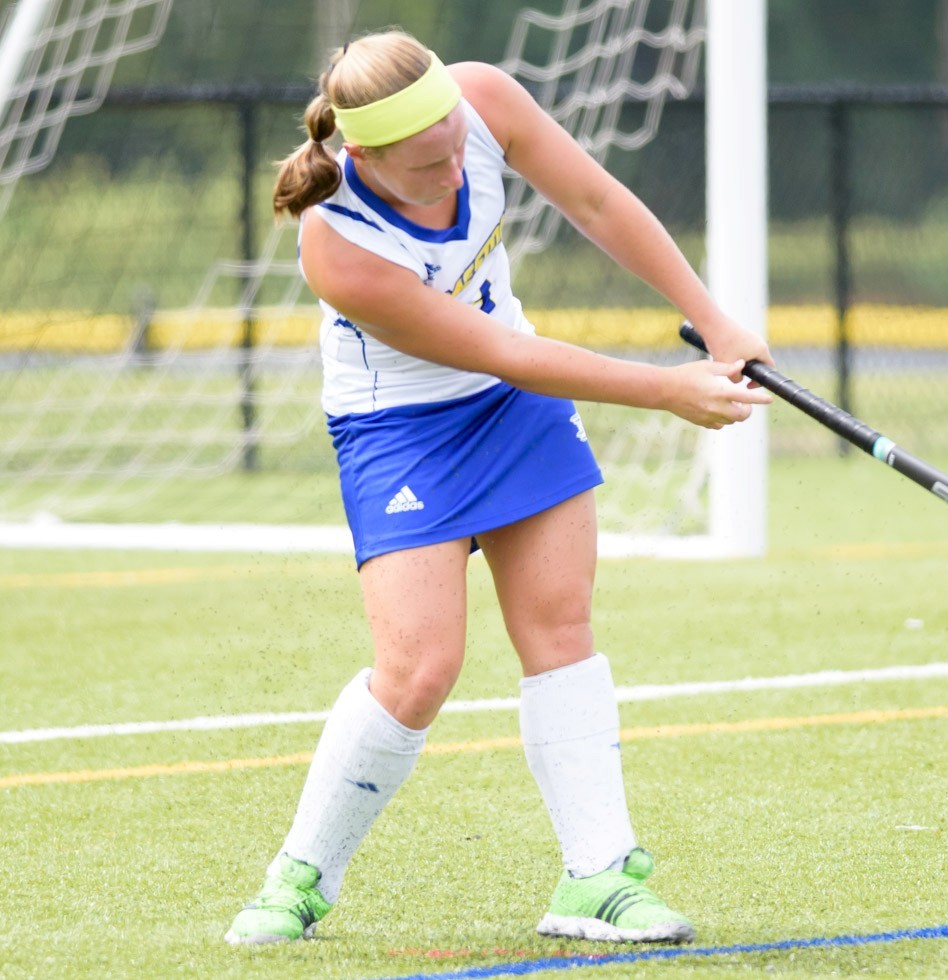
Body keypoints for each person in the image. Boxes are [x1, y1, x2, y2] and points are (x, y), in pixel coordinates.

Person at [223, 28, 771, 947]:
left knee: (561, 630)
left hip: (518, 407)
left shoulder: (482, 101)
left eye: (456, 147)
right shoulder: (338, 245)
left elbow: (596, 200)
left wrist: (712, 320)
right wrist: (668, 390)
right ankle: (301, 876)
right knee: (419, 668)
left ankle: (598, 877)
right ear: (361, 154)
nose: (453, 169)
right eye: (426, 165)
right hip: (401, 431)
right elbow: (505, 349)